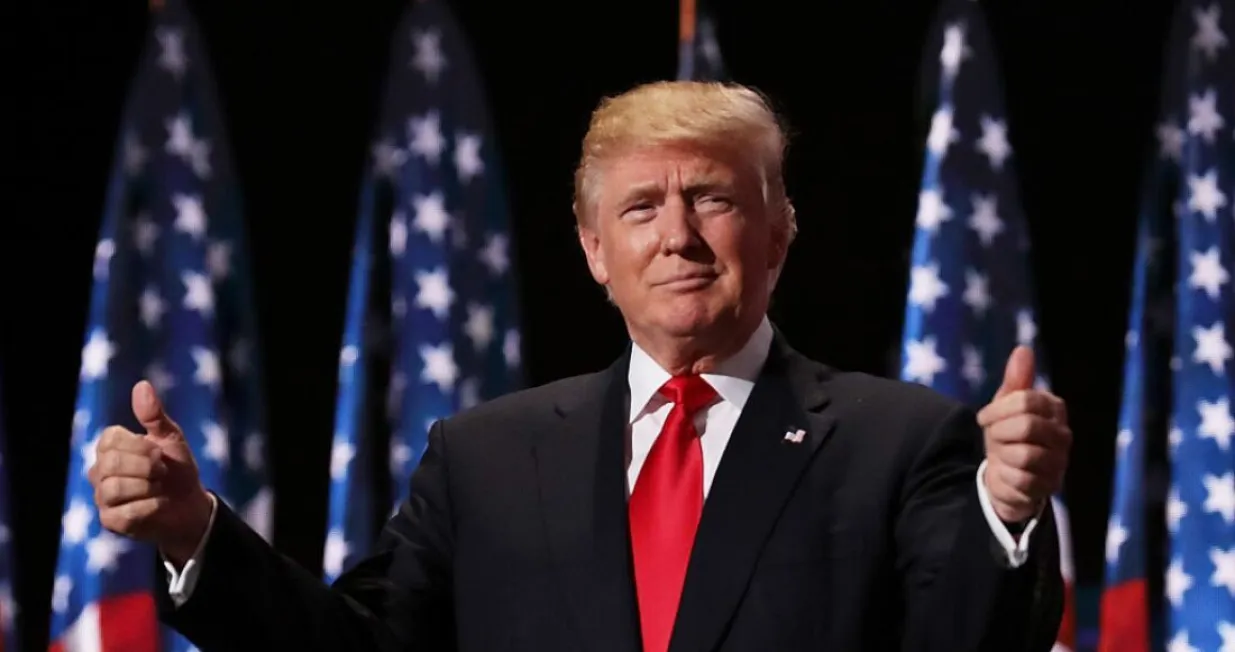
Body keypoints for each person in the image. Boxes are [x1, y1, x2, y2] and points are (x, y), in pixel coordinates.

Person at [89, 80, 1070, 651]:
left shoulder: (896, 440)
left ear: (778, 234)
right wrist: (195, 534)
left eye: (713, 200)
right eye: (641, 208)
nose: (677, 236)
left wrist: (1006, 514)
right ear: (595, 250)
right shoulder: (483, 457)